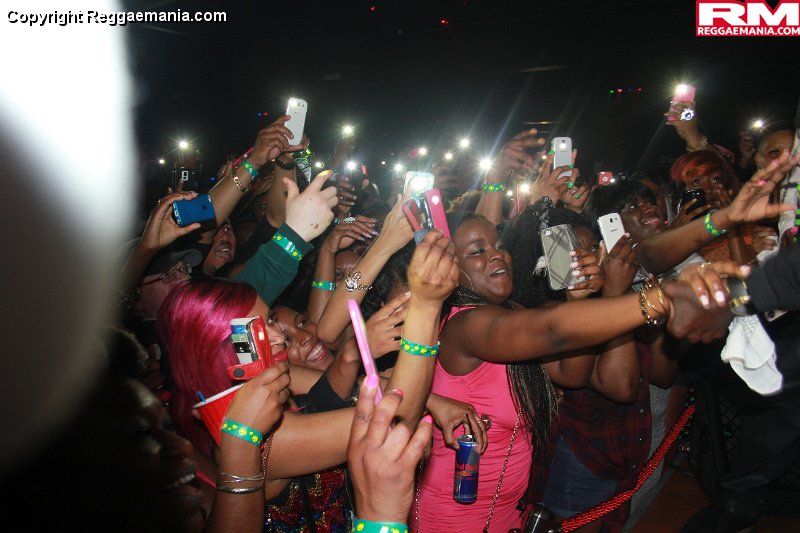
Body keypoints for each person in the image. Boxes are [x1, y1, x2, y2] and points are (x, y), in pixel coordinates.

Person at [414, 212, 676, 532]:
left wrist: (575, 297)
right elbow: (553, 332)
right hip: (455, 510)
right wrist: (655, 300)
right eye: (478, 250)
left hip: (508, 505)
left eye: (499, 244)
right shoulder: (463, 325)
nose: (497, 254)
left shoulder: (511, 312)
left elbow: (572, 374)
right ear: (449, 268)